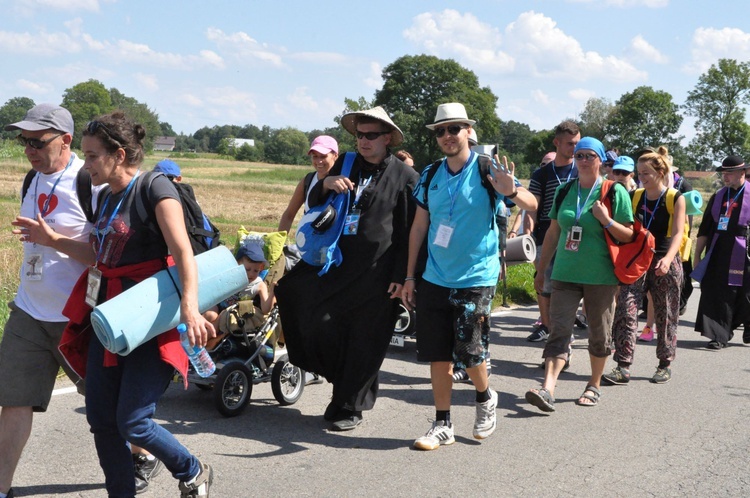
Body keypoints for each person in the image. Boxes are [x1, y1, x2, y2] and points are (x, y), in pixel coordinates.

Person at [12, 111, 216, 497]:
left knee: (134, 422)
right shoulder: (104, 196)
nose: (85, 166)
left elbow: (183, 253)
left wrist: (190, 308)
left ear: (118, 155)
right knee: (102, 420)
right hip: (108, 320)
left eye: (91, 157)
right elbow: (97, 252)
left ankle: (191, 470)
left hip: (149, 322)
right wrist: (51, 238)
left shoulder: (156, 190)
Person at [402, 103, 537, 450]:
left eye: (454, 129)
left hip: (477, 275)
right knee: (437, 354)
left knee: (471, 351)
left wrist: (510, 191)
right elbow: (419, 227)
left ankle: (485, 395)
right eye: (441, 131)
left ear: (468, 132)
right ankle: (442, 423)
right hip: (434, 276)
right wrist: (409, 277)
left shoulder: (487, 169)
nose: (447, 136)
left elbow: (531, 203)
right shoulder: (430, 175)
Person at [275, 106, 419, 431]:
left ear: (387, 138)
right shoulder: (346, 163)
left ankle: (348, 406)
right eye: (359, 135)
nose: (363, 141)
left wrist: (401, 276)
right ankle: (336, 380)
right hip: (335, 264)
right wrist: (327, 184)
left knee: (365, 339)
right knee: (295, 297)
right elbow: (313, 200)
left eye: (371, 136)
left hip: (379, 274)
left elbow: (411, 232)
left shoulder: (406, 177)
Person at [0, 103, 96, 498]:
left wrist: (52, 240)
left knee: (107, 407)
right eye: (24, 142)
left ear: (66, 140)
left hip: (78, 318)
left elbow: (104, 256)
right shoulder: (31, 179)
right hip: (28, 311)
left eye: (38, 142)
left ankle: (141, 452)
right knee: (13, 402)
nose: (29, 150)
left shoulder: (91, 183)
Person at [525, 137, 633, 412]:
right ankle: (548, 388)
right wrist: (541, 268)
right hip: (564, 273)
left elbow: (629, 234)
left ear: (601, 161)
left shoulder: (614, 192)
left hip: (601, 277)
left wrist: (605, 220)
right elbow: (553, 232)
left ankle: (594, 384)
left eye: (590, 156)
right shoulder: (564, 191)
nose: (584, 161)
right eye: (580, 155)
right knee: (558, 330)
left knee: (599, 333)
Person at [603, 147, 685, 385]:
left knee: (665, 313)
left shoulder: (674, 197)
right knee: (626, 310)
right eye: (639, 173)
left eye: (647, 172)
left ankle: (664, 363)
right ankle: (623, 365)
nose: (642, 177)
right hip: (637, 261)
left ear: (660, 172)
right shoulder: (635, 196)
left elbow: (679, 233)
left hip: (664, 261)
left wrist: (669, 259)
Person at [526, 121, 581, 342]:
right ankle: (548, 327)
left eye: (577, 143)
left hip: (576, 238)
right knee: (543, 284)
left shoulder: (581, 170)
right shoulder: (541, 174)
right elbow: (532, 207)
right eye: (570, 143)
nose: (575, 148)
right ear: (556, 142)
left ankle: (563, 330)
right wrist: (528, 233)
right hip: (544, 236)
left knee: (570, 286)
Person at [693, 155, 750, 349]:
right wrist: (697, 255)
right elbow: (704, 230)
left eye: (730, 172)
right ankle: (719, 335)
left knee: (745, 293)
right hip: (719, 251)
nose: (725, 176)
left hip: (745, 251)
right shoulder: (719, 196)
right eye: (723, 172)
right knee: (717, 293)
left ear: (743, 172)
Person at [278, 135, 338, 233]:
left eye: (323, 156)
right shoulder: (308, 181)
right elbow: (289, 214)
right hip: (307, 244)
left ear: (335, 155)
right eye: (315, 156)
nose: (319, 161)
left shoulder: (343, 180)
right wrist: (279, 241)